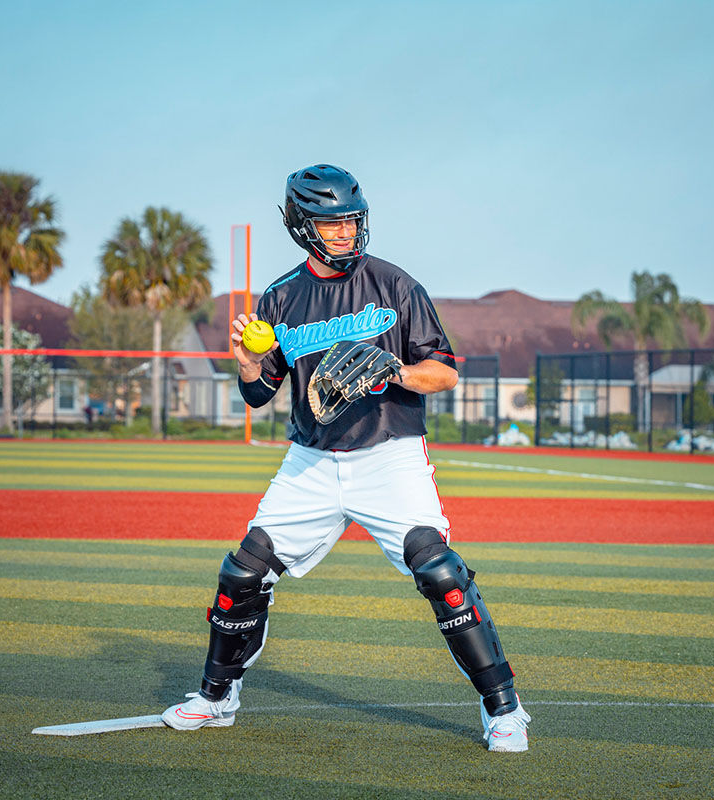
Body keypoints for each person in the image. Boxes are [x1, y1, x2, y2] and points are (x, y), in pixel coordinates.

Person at [162, 164, 531, 752]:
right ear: (301, 225)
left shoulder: (395, 284)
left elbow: (444, 372)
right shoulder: (281, 297)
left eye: (351, 221)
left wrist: (396, 370)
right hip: (309, 459)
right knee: (241, 575)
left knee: (441, 573)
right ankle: (215, 697)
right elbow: (260, 393)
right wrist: (246, 359)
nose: (345, 233)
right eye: (331, 224)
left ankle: (504, 708)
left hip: (389, 455)